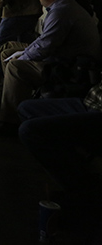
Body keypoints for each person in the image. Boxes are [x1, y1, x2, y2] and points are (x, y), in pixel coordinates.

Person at [0, 0, 101, 132]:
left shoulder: (61, 11)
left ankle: (11, 121)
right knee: (9, 54)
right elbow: (44, 42)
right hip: (67, 61)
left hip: (70, 69)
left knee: (16, 67)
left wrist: (23, 57)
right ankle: (10, 101)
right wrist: (24, 53)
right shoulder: (64, 6)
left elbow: (45, 47)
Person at [18, 83, 102, 242]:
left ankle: (83, 190)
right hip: (92, 101)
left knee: (29, 130)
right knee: (26, 108)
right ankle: (79, 176)